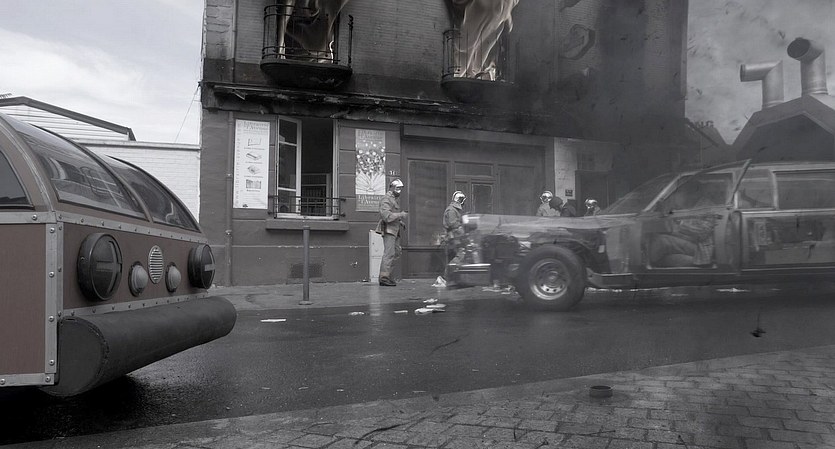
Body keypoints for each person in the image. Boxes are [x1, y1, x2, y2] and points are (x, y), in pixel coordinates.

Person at [375, 179, 408, 286]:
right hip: (389, 230)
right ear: (392, 188)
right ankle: (383, 278)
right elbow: (386, 216)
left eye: (400, 189)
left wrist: (400, 222)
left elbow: (392, 215)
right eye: (397, 188)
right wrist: (400, 215)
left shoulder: (393, 199)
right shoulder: (386, 199)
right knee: (389, 254)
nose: (399, 191)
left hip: (395, 230)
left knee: (396, 253)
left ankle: (388, 276)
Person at [442, 190, 466, 282]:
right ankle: (447, 276)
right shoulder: (451, 210)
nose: (463, 202)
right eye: (462, 199)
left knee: (456, 257)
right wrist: (463, 229)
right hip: (453, 238)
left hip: (456, 238)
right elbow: (453, 224)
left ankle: (451, 278)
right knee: (460, 255)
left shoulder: (455, 210)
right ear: (459, 199)